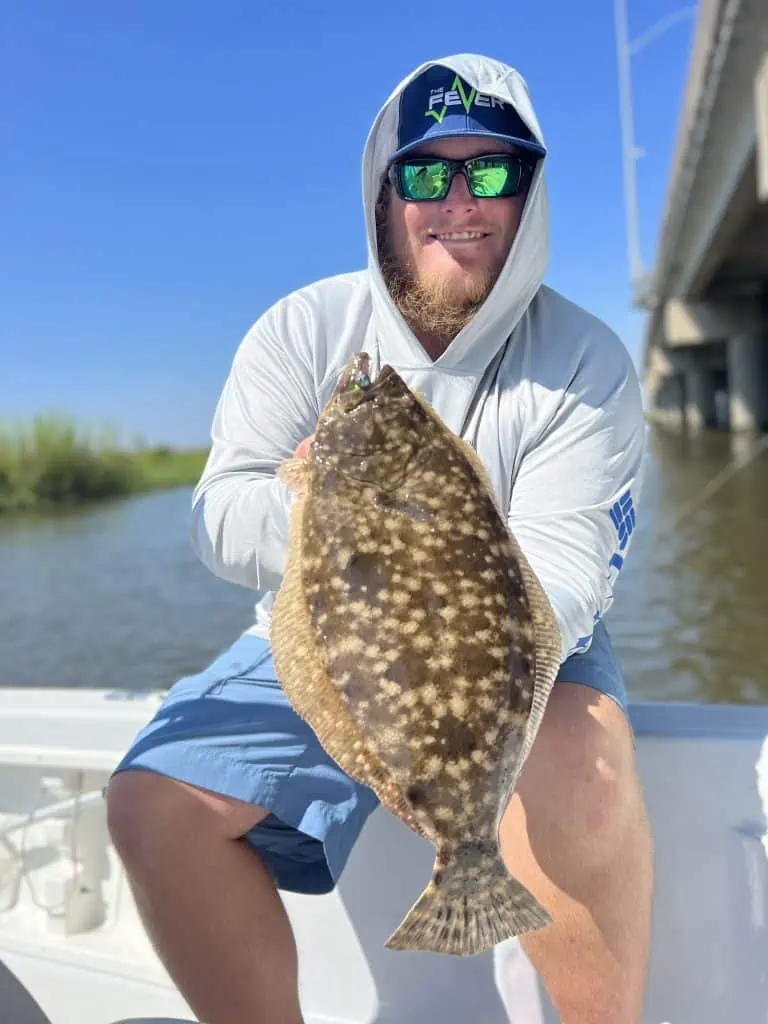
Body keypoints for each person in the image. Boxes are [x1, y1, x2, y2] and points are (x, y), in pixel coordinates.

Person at [107, 54, 653, 1024]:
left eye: (489, 172)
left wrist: (425, 565)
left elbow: (567, 577)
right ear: (383, 187)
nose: (457, 200)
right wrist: (336, 510)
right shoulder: (302, 329)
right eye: (425, 171)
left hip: (511, 639)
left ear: (528, 192)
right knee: (154, 804)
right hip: (328, 620)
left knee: (579, 758)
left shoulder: (585, 363)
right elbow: (218, 516)